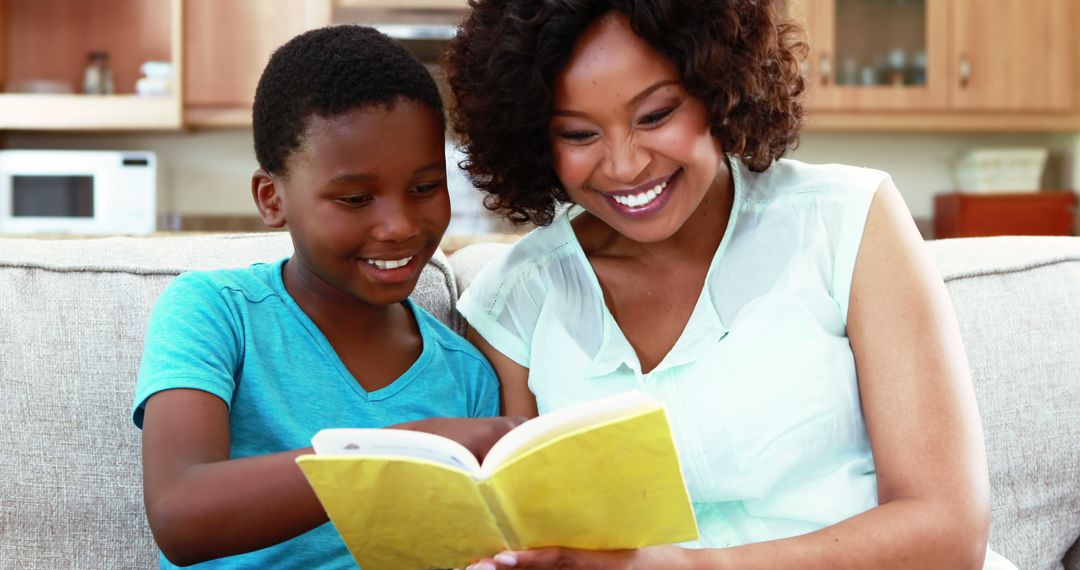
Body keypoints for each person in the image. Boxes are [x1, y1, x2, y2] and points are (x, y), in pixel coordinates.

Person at [446, 1, 1016, 568]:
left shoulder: (847, 220)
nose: (623, 166)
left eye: (655, 115)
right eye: (578, 133)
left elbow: (948, 531)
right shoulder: (516, 298)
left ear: (718, 89)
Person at [132, 25, 519, 569]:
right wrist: (401, 448)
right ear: (273, 199)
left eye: (425, 188)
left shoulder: (466, 377)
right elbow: (181, 514)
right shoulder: (215, 312)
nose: (399, 225)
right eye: (356, 198)